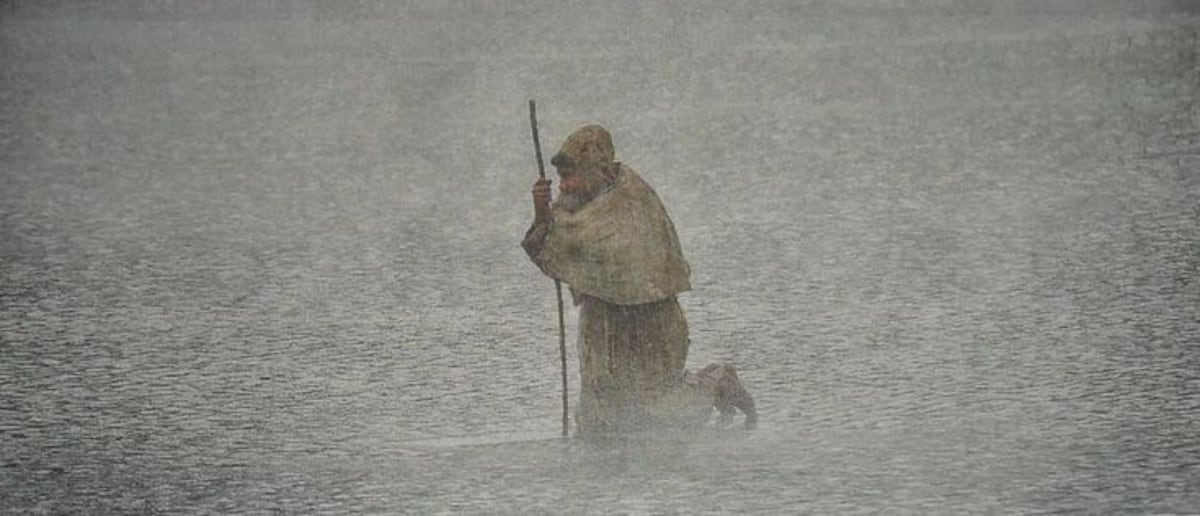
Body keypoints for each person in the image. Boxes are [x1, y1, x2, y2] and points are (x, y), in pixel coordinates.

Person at [522, 124, 755, 435]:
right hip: (601, 316)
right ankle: (599, 476)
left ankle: (715, 383)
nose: (564, 187)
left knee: (654, 408)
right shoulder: (572, 212)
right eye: (561, 178)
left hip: (648, 318)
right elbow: (555, 253)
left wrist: (549, 224)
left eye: (570, 176)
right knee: (599, 413)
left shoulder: (629, 202)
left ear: (596, 170)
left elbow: (591, 252)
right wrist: (541, 215)